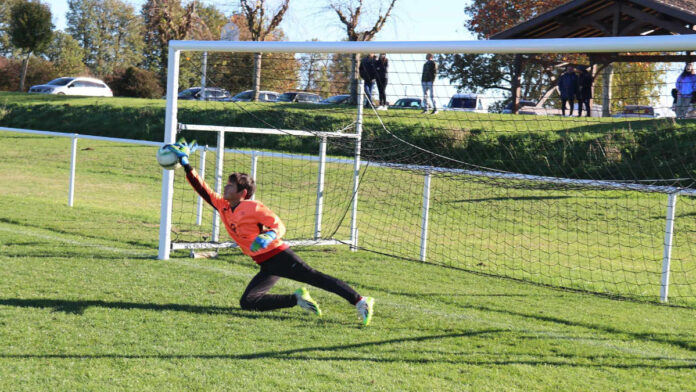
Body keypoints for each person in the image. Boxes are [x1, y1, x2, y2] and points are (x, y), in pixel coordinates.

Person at [166, 139, 375, 326]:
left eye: (231, 185)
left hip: (279, 256)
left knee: (315, 278)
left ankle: (360, 301)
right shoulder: (224, 206)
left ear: (243, 193)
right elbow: (202, 189)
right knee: (248, 302)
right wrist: (185, 163)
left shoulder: (254, 207)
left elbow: (279, 225)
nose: (226, 188)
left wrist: (269, 235)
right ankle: (297, 299)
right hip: (265, 263)